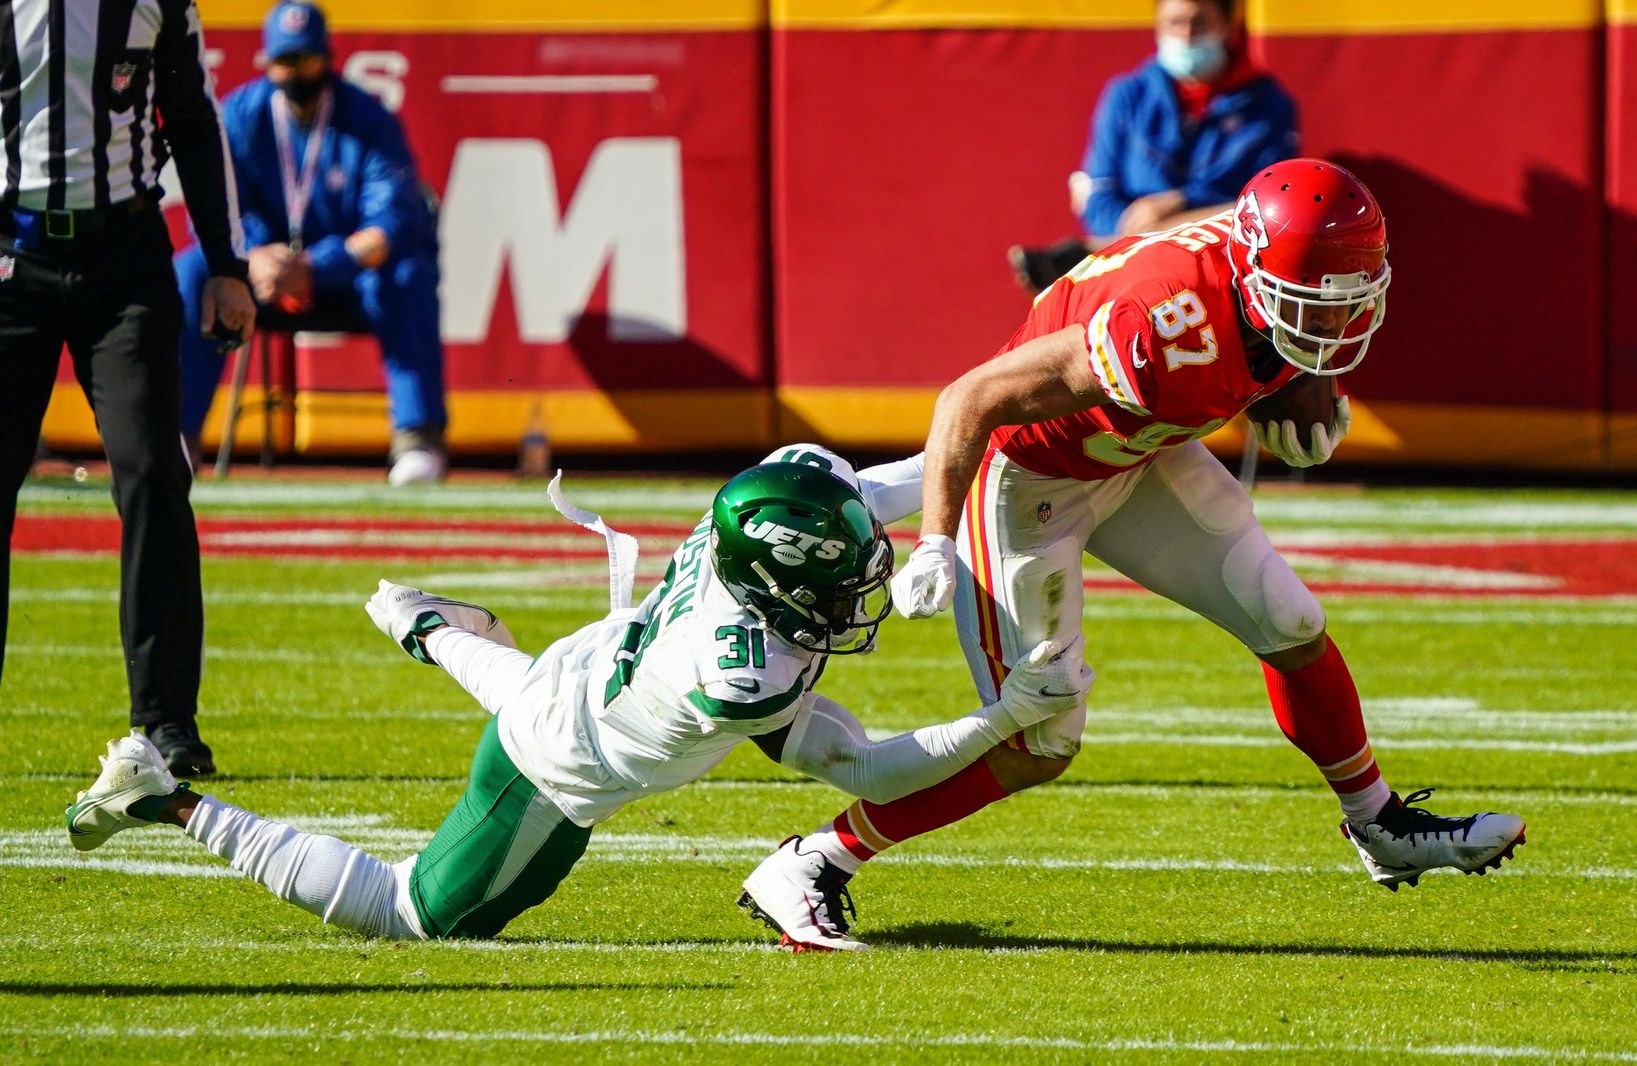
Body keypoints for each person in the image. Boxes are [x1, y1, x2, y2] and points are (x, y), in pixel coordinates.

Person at [741, 160, 1527, 951]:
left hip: (1134, 455)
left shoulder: (1265, 275)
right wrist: (936, 541)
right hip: (1027, 481)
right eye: (1311, 312)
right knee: (1039, 741)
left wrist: (1290, 379)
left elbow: (1271, 322)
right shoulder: (1159, 323)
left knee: (1289, 621)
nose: (1332, 330)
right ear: (1257, 280)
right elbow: (969, 399)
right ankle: (813, 863)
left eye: (1343, 309)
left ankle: (1378, 824)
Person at [64, 447, 1095, 948]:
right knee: (413, 916)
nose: (854, 588)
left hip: (594, 668)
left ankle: (424, 622)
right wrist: (1005, 713)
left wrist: (1007, 436)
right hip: (554, 765)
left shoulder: (768, 511)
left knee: (528, 681)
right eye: (836, 576)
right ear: (778, 576)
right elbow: (867, 767)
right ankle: (163, 797)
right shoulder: (742, 670)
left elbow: (905, 477)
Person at [1, 0, 255, 775]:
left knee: (152, 470)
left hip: (125, 259)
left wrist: (226, 263)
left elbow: (191, 114)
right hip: (11, 256)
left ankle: (166, 720)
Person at [173, 1, 447, 486]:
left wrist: (319, 265)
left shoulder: (368, 119)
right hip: (261, 278)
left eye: (307, 58)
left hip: (346, 280)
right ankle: (178, 436)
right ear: (267, 62)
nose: (297, 70)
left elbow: (390, 224)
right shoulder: (242, 114)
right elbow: (213, 208)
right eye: (286, 60)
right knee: (192, 269)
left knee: (407, 271)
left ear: (328, 57)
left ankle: (417, 437)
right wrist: (255, 257)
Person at [1009, 0, 1299, 293]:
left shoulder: (1270, 104)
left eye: (1198, 23)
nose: (1186, 34)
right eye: (1175, 23)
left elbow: (1268, 205)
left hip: (1222, 267)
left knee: (1242, 212)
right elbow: (1097, 196)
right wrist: (1135, 237)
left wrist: (1180, 201)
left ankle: (1085, 256)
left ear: (1227, 26)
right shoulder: (1126, 95)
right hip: (1128, 270)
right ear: (1158, 27)